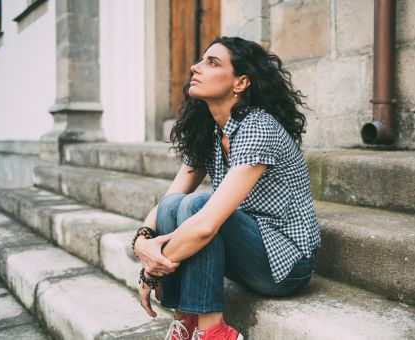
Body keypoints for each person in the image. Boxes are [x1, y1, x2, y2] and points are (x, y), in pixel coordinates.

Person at [132, 36, 321, 340]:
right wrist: (141, 240)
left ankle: (215, 333)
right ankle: (188, 321)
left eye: (212, 62)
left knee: (198, 208)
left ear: (241, 82)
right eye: (201, 60)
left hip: (285, 263)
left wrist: (153, 269)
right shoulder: (209, 130)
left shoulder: (259, 127)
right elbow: (168, 201)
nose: (196, 67)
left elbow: (206, 225)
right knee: (175, 205)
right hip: (247, 249)